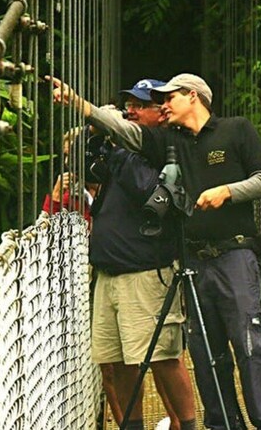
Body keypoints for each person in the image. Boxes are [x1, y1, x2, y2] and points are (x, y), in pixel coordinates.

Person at [49, 73, 261, 430]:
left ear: (193, 96)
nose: (163, 104)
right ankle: (222, 425)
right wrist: (80, 104)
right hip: (195, 261)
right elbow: (126, 133)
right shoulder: (168, 140)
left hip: (235, 254)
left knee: (250, 345)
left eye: (169, 97)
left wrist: (227, 191)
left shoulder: (236, 129)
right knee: (205, 355)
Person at [87, 78, 196, 430]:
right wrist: (95, 139)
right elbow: (87, 171)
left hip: (146, 273)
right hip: (109, 273)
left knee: (163, 356)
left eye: (138, 106)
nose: (129, 111)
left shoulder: (169, 147)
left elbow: (154, 198)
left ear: (160, 113)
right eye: (127, 105)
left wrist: (118, 150)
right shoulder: (120, 148)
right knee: (117, 361)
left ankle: (189, 426)